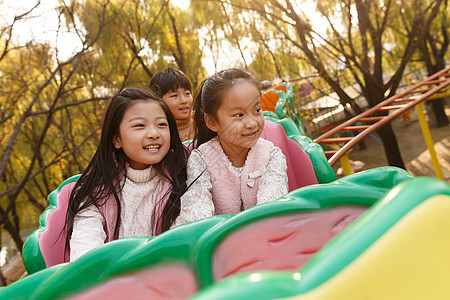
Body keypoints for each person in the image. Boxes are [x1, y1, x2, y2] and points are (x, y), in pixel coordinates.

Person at [64, 87, 188, 261]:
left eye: (161, 124)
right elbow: (85, 254)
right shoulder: (96, 193)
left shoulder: (184, 178)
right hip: (115, 281)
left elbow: (186, 241)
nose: (154, 134)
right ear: (116, 139)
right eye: (139, 126)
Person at [174, 68, 288, 226]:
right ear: (212, 122)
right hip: (220, 241)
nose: (252, 123)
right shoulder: (201, 159)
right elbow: (196, 206)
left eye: (257, 110)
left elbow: (273, 200)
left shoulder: (272, 155)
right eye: (239, 115)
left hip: (266, 234)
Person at [149, 67, 195, 142]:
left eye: (187, 94)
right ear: (158, 100)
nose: (184, 101)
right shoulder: (156, 134)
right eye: (174, 95)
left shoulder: (203, 128)